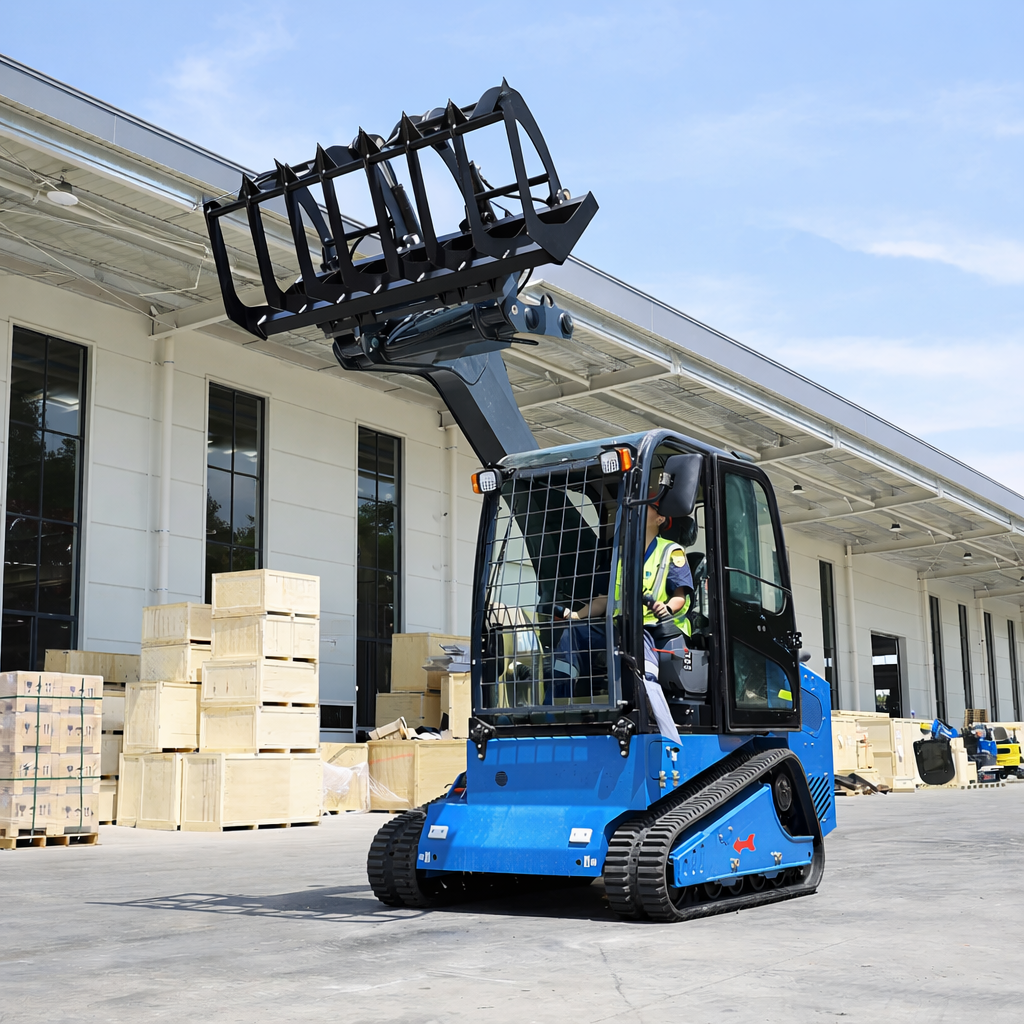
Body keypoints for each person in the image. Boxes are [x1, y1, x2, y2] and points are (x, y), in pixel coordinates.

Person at [553, 493, 694, 734]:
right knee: (574, 635)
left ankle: (650, 713)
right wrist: (576, 616)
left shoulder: (671, 551)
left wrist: (666, 608)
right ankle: (556, 707)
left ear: (660, 519)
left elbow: (680, 595)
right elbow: (608, 599)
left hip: (654, 628)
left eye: (646, 507)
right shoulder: (622, 556)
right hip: (621, 626)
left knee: (635, 648)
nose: (637, 510)